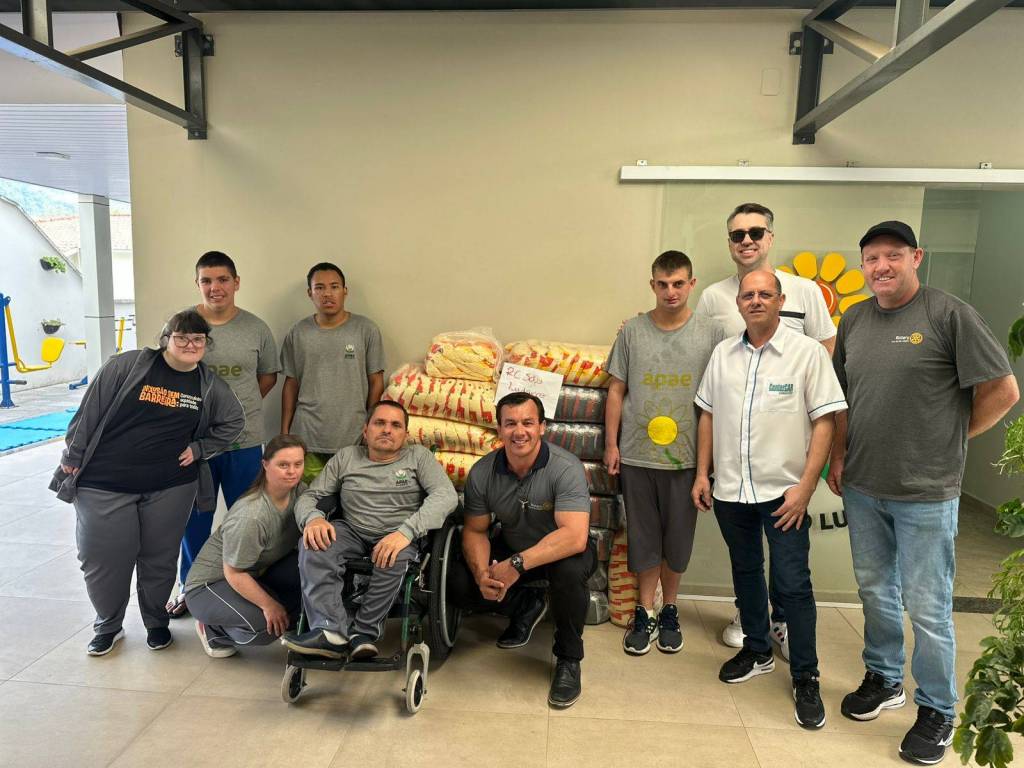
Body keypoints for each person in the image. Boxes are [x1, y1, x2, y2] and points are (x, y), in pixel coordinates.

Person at [827, 221, 1019, 765]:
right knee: (874, 589)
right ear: (862, 266)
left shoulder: (949, 314)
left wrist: (954, 436)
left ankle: (937, 708)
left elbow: (1003, 390)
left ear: (916, 257)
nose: (881, 266)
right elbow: (842, 399)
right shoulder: (855, 319)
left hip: (927, 492)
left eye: (892, 255)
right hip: (864, 484)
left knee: (928, 605)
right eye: (871, 258)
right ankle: (884, 677)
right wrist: (839, 455)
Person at [692, 270, 847, 730]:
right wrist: (702, 473)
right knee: (745, 572)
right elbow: (707, 414)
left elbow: (825, 421)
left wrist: (806, 487)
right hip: (731, 490)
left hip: (784, 496)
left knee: (793, 585)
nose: (755, 300)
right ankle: (757, 649)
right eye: (748, 295)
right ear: (738, 303)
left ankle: (806, 675)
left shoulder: (807, 354)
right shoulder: (723, 354)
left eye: (765, 294)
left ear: (781, 301)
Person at [49, 309, 244, 656]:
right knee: (103, 558)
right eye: (181, 337)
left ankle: (157, 622)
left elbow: (234, 422)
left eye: (198, 339)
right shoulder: (126, 366)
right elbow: (89, 412)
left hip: (170, 485)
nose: (189, 344)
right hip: (104, 481)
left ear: (205, 344)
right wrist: (73, 455)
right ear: (166, 339)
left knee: (160, 558)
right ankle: (108, 626)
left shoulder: (209, 384)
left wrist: (200, 449)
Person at [694, 201, 836, 658]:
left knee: (791, 574)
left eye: (756, 232)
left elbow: (824, 364)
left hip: (784, 462)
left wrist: (808, 474)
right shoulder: (713, 299)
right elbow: (707, 381)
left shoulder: (805, 295)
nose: (747, 240)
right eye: (738, 234)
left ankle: (789, 637)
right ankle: (754, 629)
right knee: (746, 564)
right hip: (734, 467)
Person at [604, 250, 725, 655]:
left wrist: (707, 465)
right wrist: (611, 444)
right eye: (663, 284)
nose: (670, 291)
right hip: (636, 456)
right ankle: (645, 611)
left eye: (678, 284)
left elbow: (716, 402)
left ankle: (669, 608)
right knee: (643, 538)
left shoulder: (712, 334)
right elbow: (616, 390)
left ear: (692, 285)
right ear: (652, 285)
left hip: (687, 458)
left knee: (678, 539)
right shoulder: (633, 331)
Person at [449, 392, 595, 709]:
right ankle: (525, 605)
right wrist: (482, 574)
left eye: (528, 423)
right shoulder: (482, 472)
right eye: (510, 423)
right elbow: (475, 530)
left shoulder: (565, 467)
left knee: (569, 572)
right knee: (459, 582)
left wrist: (516, 564)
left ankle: (568, 659)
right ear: (499, 429)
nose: (519, 431)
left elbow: (574, 537)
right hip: (513, 544)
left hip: (560, 552)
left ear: (542, 427)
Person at [281, 401, 458, 659]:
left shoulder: (418, 457)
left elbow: (446, 496)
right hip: (352, 530)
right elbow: (310, 495)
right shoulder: (347, 457)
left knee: (393, 557)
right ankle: (329, 631)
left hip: (398, 533)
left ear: (405, 435)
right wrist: (313, 519)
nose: (387, 430)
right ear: (366, 430)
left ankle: (363, 633)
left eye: (395, 425)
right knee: (314, 544)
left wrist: (406, 532)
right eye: (379, 423)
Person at [167, 250, 281, 619]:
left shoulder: (256, 328)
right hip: (195, 445)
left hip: (244, 442)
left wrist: (235, 411)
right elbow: (168, 371)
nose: (215, 287)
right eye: (207, 280)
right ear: (197, 284)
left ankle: (249, 587)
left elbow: (267, 376)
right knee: (194, 522)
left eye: (222, 280)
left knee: (247, 521)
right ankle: (189, 586)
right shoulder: (184, 324)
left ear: (236, 283)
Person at [184, 435, 307, 657]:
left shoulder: (299, 492)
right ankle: (212, 630)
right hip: (210, 585)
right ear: (265, 465)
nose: (292, 471)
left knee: (302, 591)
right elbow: (233, 572)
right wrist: (269, 605)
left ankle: (254, 609)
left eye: (298, 464)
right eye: (283, 465)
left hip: (253, 574)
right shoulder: (252, 515)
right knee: (267, 627)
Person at [280, 262, 385, 484]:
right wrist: (284, 432)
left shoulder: (366, 330)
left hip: (352, 438)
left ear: (345, 291)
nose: (327, 293)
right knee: (308, 499)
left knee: (350, 498)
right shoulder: (298, 332)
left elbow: (376, 382)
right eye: (319, 288)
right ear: (310, 293)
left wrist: (371, 426)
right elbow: (291, 383)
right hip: (306, 437)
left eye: (334, 287)